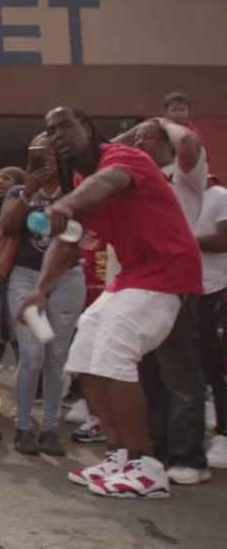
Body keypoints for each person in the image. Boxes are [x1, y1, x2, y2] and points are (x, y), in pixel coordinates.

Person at [19, 107, 201, 499]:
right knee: (85, 354)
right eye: (50, 131)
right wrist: (40, 290)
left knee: (115, 354)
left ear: (87, 129)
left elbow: (108, 182)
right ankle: (119, 454)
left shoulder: (123, 158)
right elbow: (67, 241)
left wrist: (67, 204)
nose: (56, 136)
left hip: (167, 271)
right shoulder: (80, 183)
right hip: (132, 276)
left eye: (64, 127)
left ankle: (146, 466)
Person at [125, 118, 210, 485]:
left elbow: (188, 142)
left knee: (180, 374)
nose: (140, 144)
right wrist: (138, 131)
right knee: (148, 374)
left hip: (175, 281)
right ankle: (155, 449)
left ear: (167, 144)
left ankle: (189, 456)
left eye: (149, 138)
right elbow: (105, 153)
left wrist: (161, 120)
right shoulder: (134, 176)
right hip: (138, 285)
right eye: (138, 138)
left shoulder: (185, 175)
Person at [0, 135, 86, 456]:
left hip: (67, 278)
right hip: (26, 278)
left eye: (53, 153)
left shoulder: (76, 189)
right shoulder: (18, 191)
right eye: (41, 153)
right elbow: (7, 227)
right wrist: (28, 191)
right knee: (32, 353)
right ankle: (24, 427)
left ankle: (50, 429)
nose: (47, 158)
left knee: (57, 355)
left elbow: (77, 236)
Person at [194, 178, 227, 469]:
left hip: (215, 289)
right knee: (191, 362)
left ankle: (224, 434)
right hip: (183, 289)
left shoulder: (220, 196)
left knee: (218, 365)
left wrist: (184, 242)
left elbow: (223, 241)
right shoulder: (178, 196)